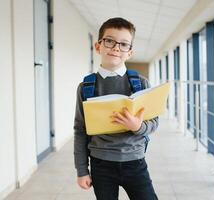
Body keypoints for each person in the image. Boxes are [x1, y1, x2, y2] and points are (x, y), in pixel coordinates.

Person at [73, 17, 159, 200]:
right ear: (98, 46)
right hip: (101, 165)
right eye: (110, 41)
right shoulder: (86, 87)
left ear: (130, 52)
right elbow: (80, 130)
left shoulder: (141, 84)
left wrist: (138, 126)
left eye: (124, 44)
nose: (116, 48)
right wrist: (82, 170)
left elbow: (154, 123)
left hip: (135, 162)